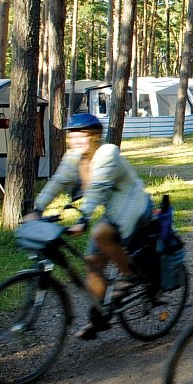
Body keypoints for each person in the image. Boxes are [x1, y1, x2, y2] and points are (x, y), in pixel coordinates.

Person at [24, 113, 154, 340]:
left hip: (134, 205)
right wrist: (37, 209)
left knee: (100, 233)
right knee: (93, 262)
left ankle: (130, 273)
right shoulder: (73, 158)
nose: (75, 141)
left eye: (82, 136)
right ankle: (100, 317)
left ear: (95, 137)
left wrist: (83, 217)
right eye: (72, 136)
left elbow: (97, 189)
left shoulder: (107, 153)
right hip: (113, 209)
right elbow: (57, 182)